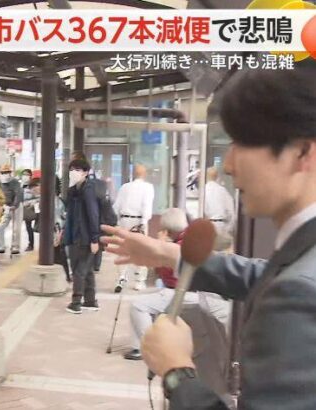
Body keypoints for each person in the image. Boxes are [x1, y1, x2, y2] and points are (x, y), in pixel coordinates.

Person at [102, 63, 316, 409]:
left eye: (242, 143)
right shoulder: (301, 264)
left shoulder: (299, 296)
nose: (229, 164)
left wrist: (176, 372)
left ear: (303, 152)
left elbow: (290, 286)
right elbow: (267, 276)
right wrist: (168, 254)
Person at [123, 208, 230, 361]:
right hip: (192, 291)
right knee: (148, 302)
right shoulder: (187, 238)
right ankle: (140, 346)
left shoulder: (181, 245)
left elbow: (167, 275)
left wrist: (160, 247)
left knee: (138, 305)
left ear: (168, 229)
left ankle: (150, 348)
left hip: (186, 292)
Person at [64, 157, 101, 314]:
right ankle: (90, 301)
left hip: (85, 237)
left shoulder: (88, 190)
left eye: (78, 170)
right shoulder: (75, 191)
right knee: (87, 269)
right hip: (75, 235)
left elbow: (93, 215)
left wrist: (94, 238)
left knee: (79, 269)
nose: (73, 173)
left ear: (86, 172)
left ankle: (76, 302)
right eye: (71, 170)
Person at [112, 164, 155, 291]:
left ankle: (121, 277)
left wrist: (119, 221)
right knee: (141, 250)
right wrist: (143, 222)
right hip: (139, 221)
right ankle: (139, 281)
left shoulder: (124, 187)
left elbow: (116, 206)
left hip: (124, 220)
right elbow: (146, 205)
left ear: (133, 174)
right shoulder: (148, 187)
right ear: (144, 174)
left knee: (123, 249)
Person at [0, 164, 24, 255]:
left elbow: (18, 194)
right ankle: (0, 246)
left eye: (7, 172)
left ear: (10, 173)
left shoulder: (15, 182)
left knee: (16, 228)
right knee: (0, 226)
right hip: (5, 207)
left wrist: (14, 205)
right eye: (3, 172)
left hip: (16, 207)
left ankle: (15, 246)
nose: (5, 174)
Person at [204, 166, 236, 235]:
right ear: (217, 177)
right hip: (222, 226)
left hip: (206, 225)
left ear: (205, 176)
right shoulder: (223, 191)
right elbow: (231, 212)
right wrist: (228, 229)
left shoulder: (202, 191)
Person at [21, 169, 38, 252]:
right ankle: (31, 244)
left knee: (40, 226)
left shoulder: (34, 184)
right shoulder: (21, 186)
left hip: (35, 208)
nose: (25, 176)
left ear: (31, 176)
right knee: (28, 227)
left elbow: (39, 196)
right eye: (24, 174)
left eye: (27, 175)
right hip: (27, 210)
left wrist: (32, 202)